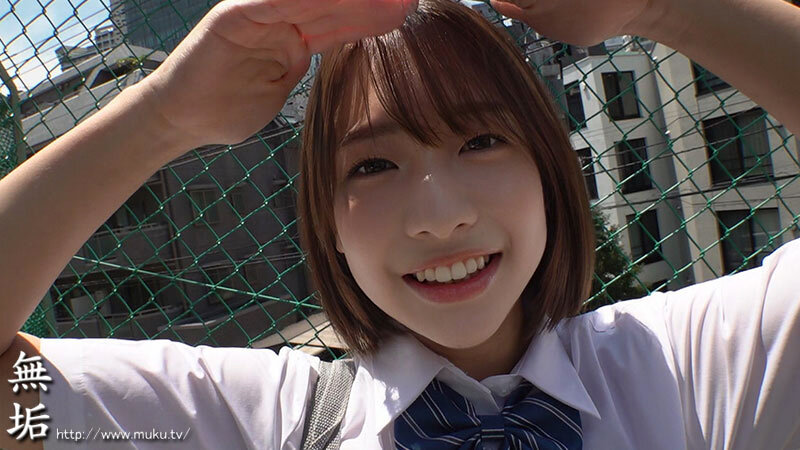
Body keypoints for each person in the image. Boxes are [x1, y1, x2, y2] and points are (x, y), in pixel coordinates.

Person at [1, 0, 799, 448]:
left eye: (480, 142)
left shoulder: (685, 370)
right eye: (373, 166)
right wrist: (159, 118)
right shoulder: (263, 423)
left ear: (551, 172)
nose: (441, 217)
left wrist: (666, 6)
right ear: (326, 221)